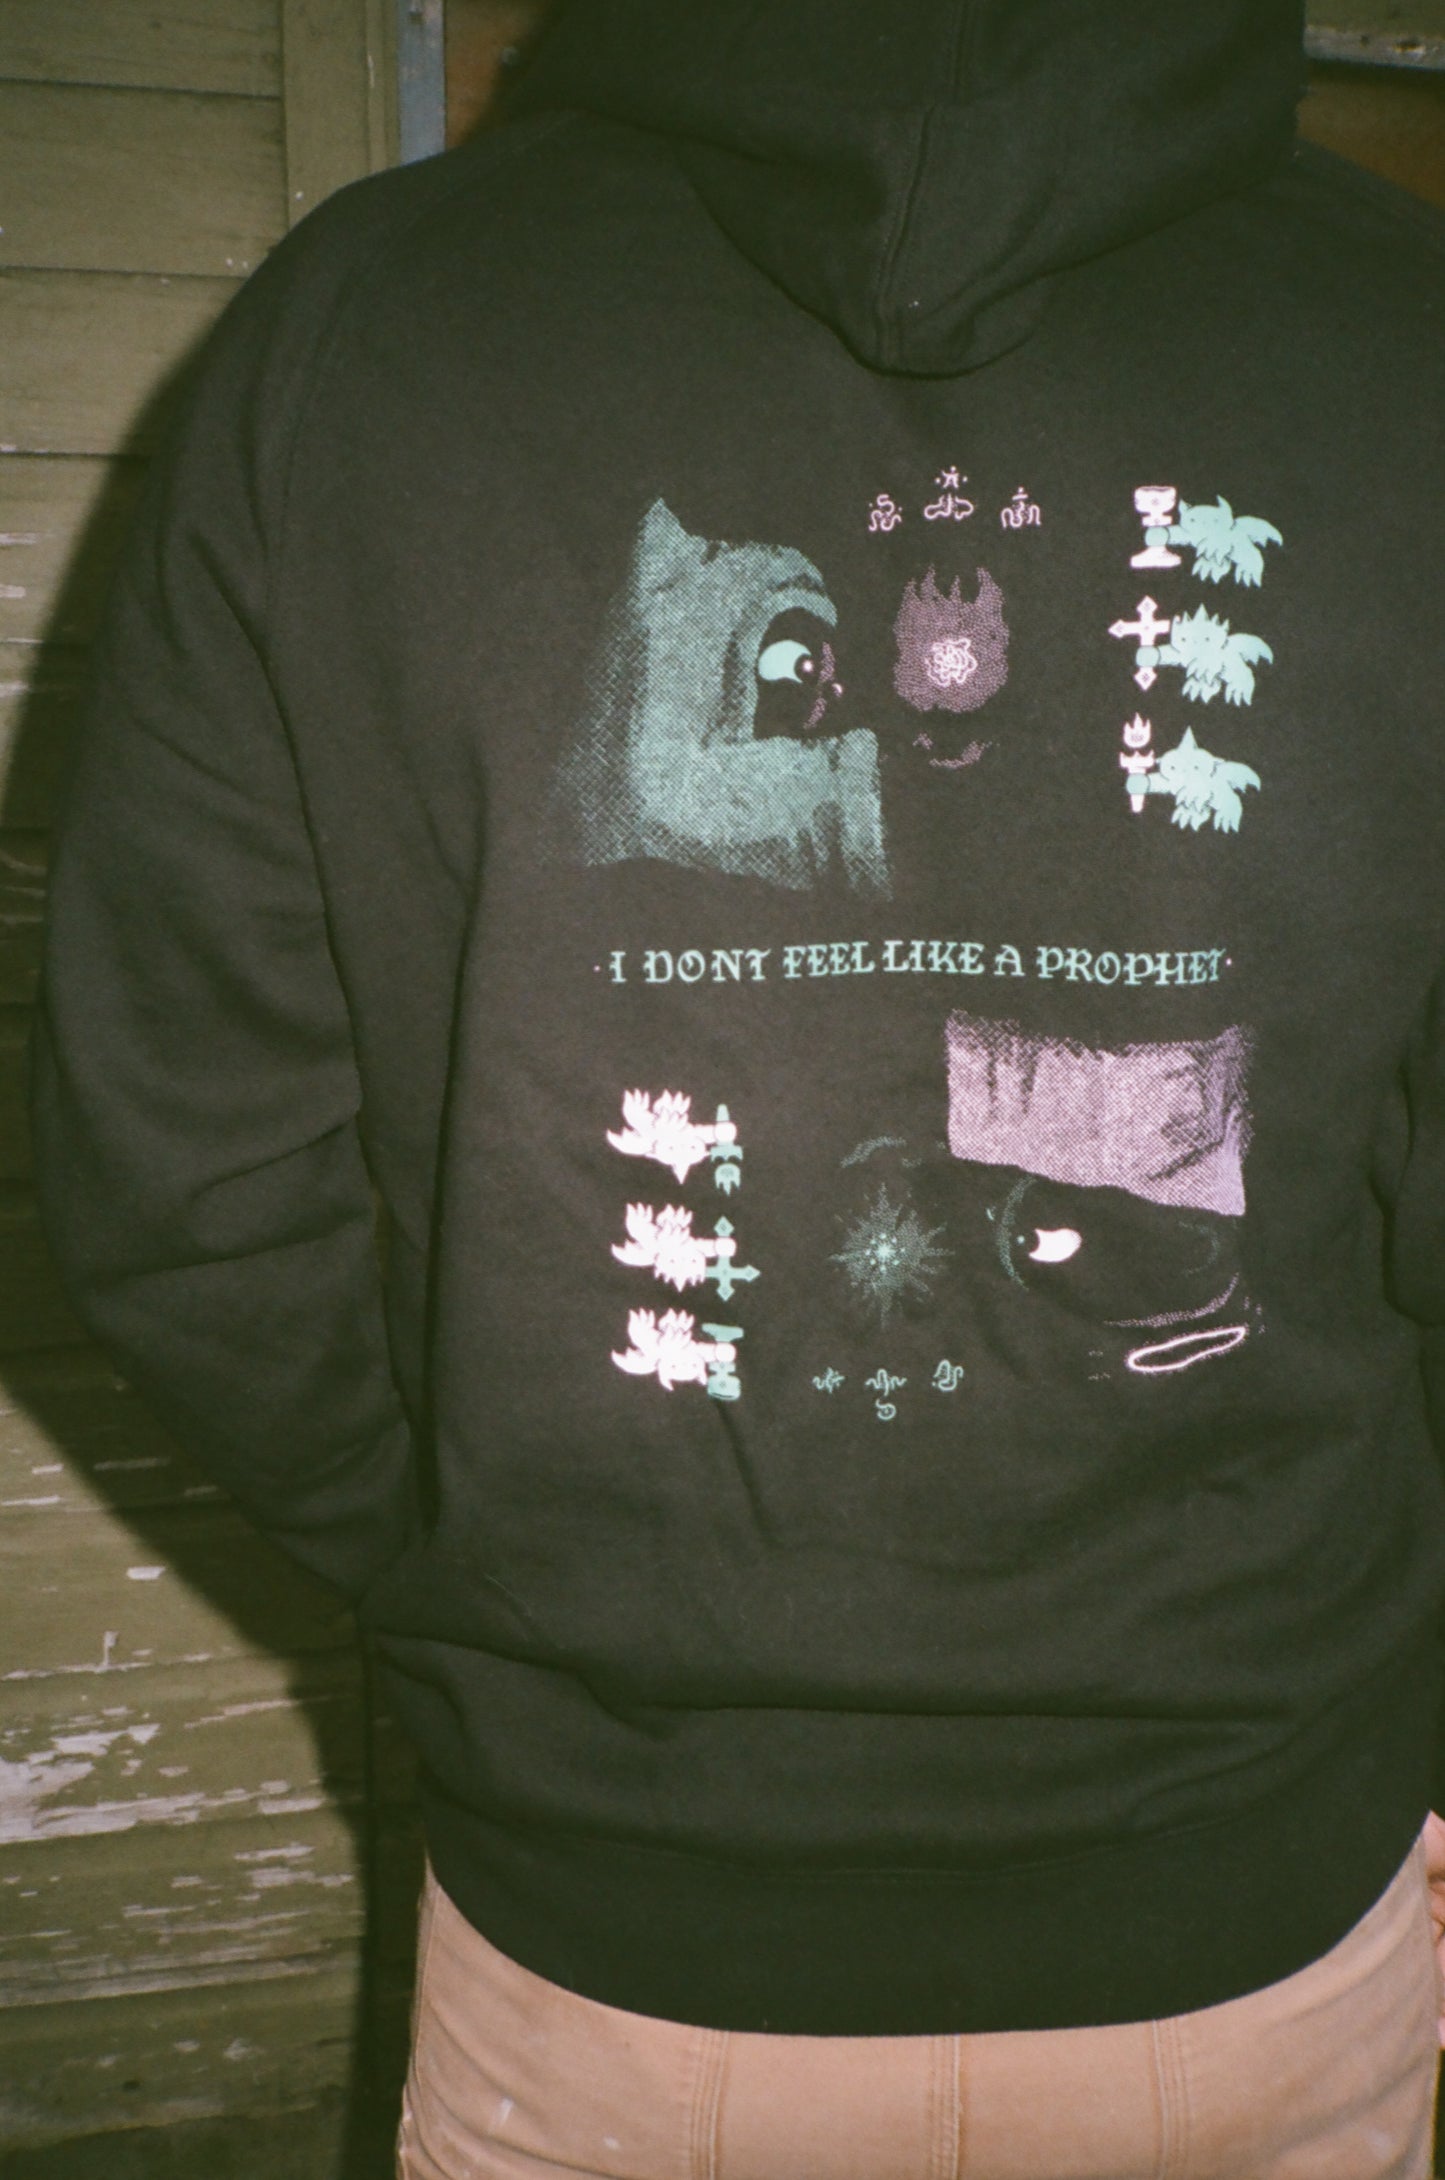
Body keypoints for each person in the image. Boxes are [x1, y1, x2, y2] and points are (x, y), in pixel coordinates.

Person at [30, 1, 1445, 2171]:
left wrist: (481, 1572)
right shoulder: (1401, 329)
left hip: (618, 1951)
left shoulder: (368, 329)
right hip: (1257, 1902)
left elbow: (182, 1181)